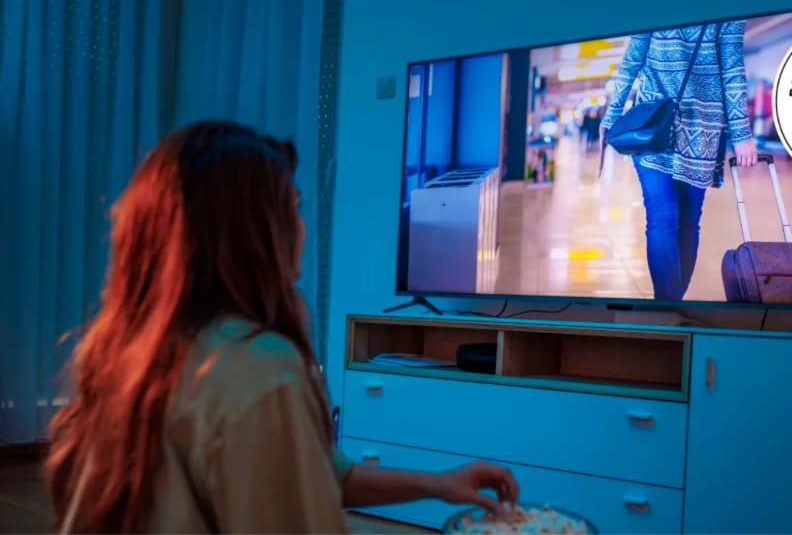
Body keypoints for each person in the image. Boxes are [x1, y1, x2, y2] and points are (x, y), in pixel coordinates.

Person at [44, 122, 519, 533]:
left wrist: (437, 484)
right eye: (292, 207)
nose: (302, 227)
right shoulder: (259, 369)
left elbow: (324, 476)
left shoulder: (128, 353)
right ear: (249, 232)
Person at [599, 22, 758, 301]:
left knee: (684, 218)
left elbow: (732, 70)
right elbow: (632, 61)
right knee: (665, 216)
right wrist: (611, 116)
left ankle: (671, 303)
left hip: (681, 128)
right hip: (664, 128)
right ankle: (668, 305)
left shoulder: (727, 7)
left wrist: (742, 134)